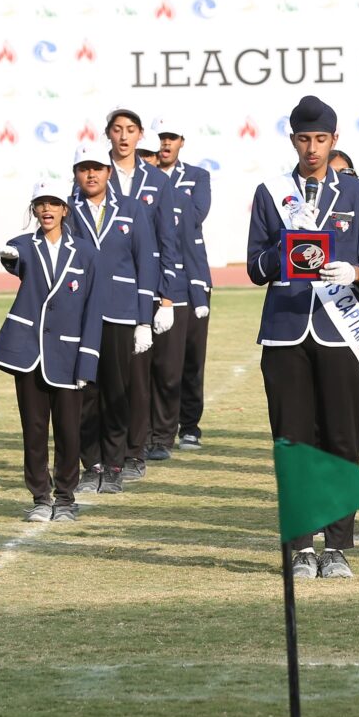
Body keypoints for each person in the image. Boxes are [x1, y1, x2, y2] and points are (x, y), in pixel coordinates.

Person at [246, 95, 359, 579]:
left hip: (339, 330)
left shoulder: (358, 193)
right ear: (293, 140)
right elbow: (254, 267)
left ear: (334, 140)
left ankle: (338, 546)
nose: (312, 148)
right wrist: (283, 256)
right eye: (304, 139)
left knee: (342, 438)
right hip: (286, 331)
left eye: (321, 139)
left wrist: (354, 271)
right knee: (293, 439)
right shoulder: (271, 192)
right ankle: (302, 546)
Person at [0, 181, 101, 523]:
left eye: (53, 204)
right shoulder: (23, 246)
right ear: (34, 210)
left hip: (69, 356)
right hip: (29, 354)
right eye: (40, 204)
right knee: (34, 430)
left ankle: (66, 498)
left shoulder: (86, 252)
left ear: (65, 209)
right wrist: (10, 257)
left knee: (69, 431)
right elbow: (14, 257)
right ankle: (40, 496)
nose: (47, 210)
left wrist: (89, 359)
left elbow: (93, 309)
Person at [65, 141, 156, 493]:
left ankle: (116, 464)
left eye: (96, 167)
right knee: (85, 390)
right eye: (83, 168)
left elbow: (146, 262)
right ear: (75, 174)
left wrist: (144, 319)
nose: (91, 174)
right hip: (80, 314)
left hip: (120, 312)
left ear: (108, 171)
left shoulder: (132, 209)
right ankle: (93, 464)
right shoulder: (68, 212)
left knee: (118, 389)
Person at [104, 107, 181, 480]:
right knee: (101, 376)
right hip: (101, 294)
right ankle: (104, 452)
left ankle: (135, 452)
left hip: (144, 293)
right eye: (117, 130)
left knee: (137, 377)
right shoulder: (93, 175)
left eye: (130, 130)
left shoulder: (157, 181)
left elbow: (170, 241)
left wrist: (166, 298)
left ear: (140, 136)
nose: (123, 136)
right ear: (108, 135)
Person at [153, 117, 213, 450]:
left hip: (193, 277)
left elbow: (194, 215)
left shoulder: (197, 176)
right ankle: (157, 427)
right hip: (156, 276)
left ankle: (190, 425)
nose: (165, 143)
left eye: (171, 137)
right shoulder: (143, 177)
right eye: (161, 137)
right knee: (161, 359)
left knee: (192, 355)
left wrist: (157, 188)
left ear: (181, 141)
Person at [134, 121, 189, 465]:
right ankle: (137, 437)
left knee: (167, 370)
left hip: (167, 288)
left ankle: (163, 436)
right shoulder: (118, 188)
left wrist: (169, 297)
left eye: (150, 156)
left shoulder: (165, 187)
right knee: (137, 371)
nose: (146, 161)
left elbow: (174, 243)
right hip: (133, 290)